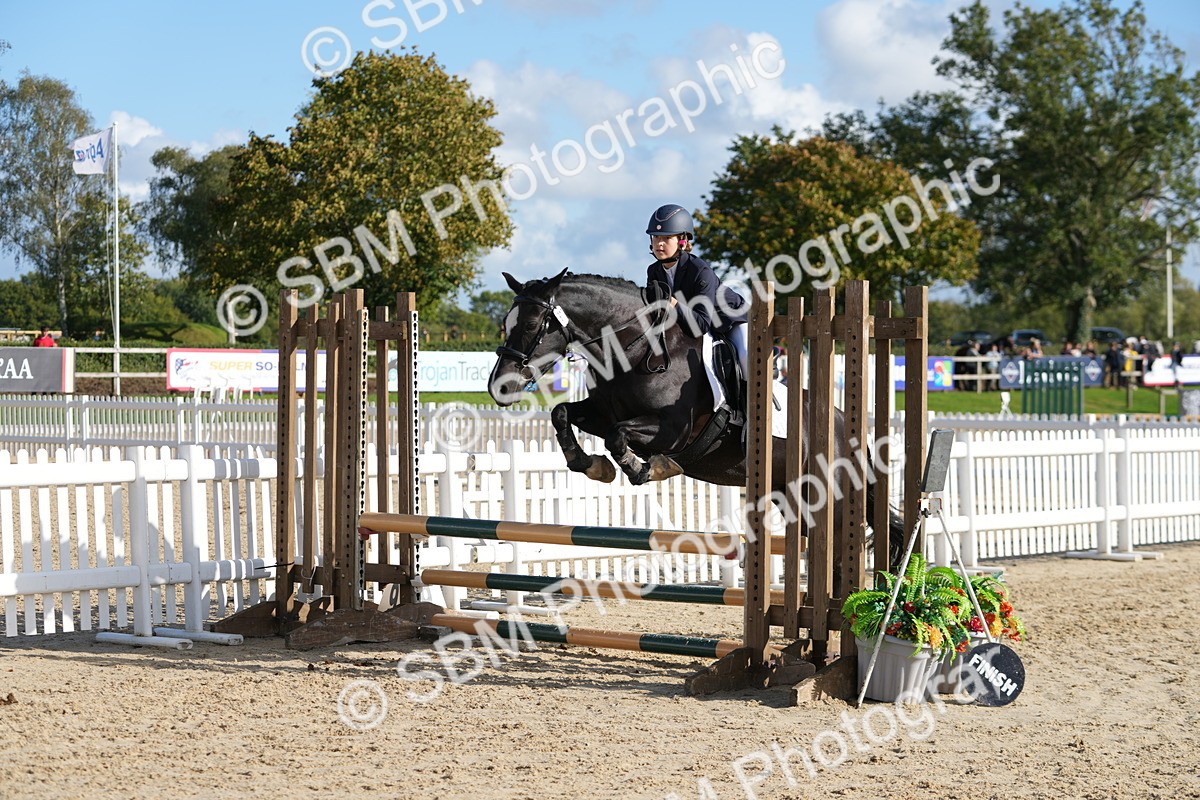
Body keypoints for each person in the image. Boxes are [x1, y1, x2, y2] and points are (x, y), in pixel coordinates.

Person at [643, 203, 748, 375]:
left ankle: (754, 400)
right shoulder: (654, 271)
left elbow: (701, 324)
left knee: (745, 357)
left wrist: (672, 303)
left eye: (666, 238)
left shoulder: (700, 270)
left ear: (682, 241)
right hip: (693, 324)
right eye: (656, 237)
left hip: (730, 321)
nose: (659, 244)